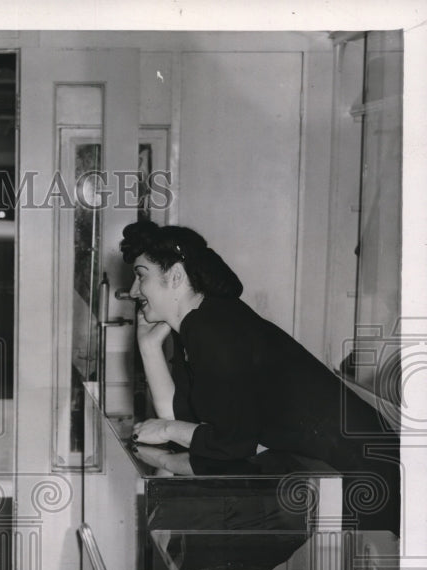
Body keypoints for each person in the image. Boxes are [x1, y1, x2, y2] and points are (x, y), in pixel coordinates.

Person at [123, 220, 399, 532]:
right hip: (331, 471)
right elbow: (180, 417)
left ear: (174, 276)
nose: (133, 291)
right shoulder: (200, 323)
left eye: (140, 276)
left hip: (362, 474)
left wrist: (168, 440)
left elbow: (229, 443)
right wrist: (148, 347)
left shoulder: (213, 329)